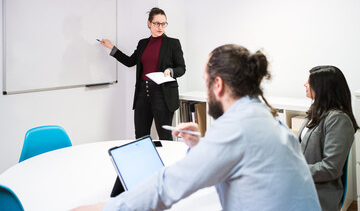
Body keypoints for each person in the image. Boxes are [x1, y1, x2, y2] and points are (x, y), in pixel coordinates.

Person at [72, 44, 320, 211]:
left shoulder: (237, 128)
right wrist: (200, 146)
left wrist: (107, 208)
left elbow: (167, 186)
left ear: (218, 85)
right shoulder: (265, 119)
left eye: (205, 82)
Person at [100, 7, 186, 140]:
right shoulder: (142, 43)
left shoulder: (173, 43)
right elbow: (130, 62)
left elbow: (182, 68)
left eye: (163, 24)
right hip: (142, 94)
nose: (160, 27)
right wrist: (112, 48)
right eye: (157, 23)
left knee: (164, 137)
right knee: (141, 136)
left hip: (162, 95)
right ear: (149, 23)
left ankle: (167, 161)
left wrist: (171, 71)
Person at [298, 65, 358, 211]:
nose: (305, 84)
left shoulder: (338, 119)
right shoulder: (316, 111)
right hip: (303, 184)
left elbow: (331, 168)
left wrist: (295, 169)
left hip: (319, 194)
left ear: (322, 87)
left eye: (309, 82)